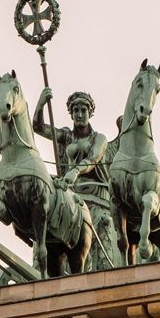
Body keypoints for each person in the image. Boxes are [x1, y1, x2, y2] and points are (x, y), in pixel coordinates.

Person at [34, 88, 125, 267]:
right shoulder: (67, 136)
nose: (80, 114)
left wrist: (75, 171)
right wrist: (41, 103)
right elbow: (38, 127)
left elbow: (93, 159)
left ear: (90, 113)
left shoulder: (100, 138)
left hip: (96, 198)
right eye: (76, 110)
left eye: (83, 110)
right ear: (71, 113)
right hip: (71, 198)